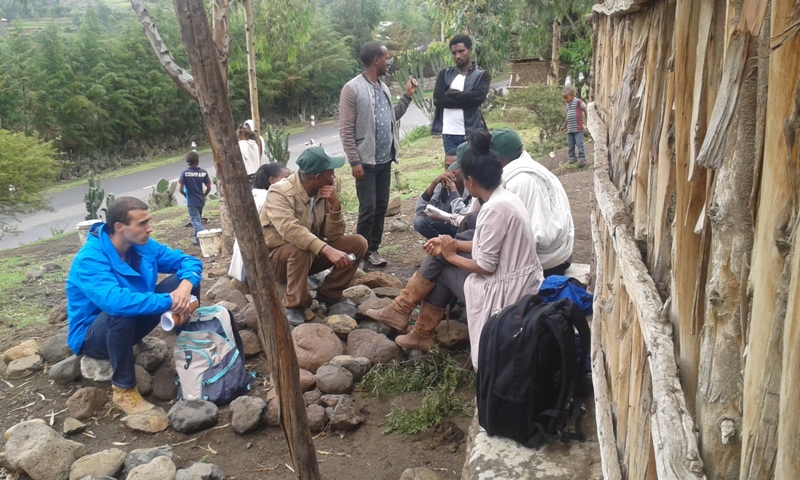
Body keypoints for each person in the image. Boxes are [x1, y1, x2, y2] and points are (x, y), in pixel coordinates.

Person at [369, 132, 543, 369]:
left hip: (507, 291)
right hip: (517, 278)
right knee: (443, 255)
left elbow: (485, 265)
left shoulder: (493, 209)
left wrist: (449, 254)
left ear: (470, 180)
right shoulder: (506, 199)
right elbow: (485, 244)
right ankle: (415, 326)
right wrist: (452, 244)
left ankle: (413, 323)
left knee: (442, 265)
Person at [66, 197, 203, 414]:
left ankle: (189, 350)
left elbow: (188, 261)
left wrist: (185, 287)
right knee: (120, 312)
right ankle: (123, 389)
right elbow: (116, 302)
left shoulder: (143, 246)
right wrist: (170, 300)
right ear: (120, 227)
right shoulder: (89, 260)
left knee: (182, 282)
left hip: (133, 320)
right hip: (95, 337)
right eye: (142, 224)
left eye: (148, 221)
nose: (150, 228)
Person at [261, 146, 368, 326]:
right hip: (276, 262)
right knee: (300, 247)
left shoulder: (320, 192)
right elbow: (290, 230)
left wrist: (335, 207)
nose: (333, 177)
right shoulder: (279, 192)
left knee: (358, 243)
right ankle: (293, 305)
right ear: (318, 177)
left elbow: (333, 235)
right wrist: (327, 249)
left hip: (307, 258)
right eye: (331, 174)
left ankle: (330, 294)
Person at [339, 41, 418, 268]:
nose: (388, 61)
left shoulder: (382, 87)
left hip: (384, 160)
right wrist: (354, 160)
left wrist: (407, 96)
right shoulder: (352, 89)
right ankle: (359, 254)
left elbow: (390, 118)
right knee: (368, 209)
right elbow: (345, 129)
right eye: (386, 58)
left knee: (381, 206)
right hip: (365, 163)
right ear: (376, 61)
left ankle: (373, 250)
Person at [228, 163, 291, 282]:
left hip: (242, 265)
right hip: (255, 268)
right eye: (286, 179)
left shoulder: (253, 195)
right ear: (272, 180)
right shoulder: (269, 199)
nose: (290, 182)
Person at [431, 34, 491, 154]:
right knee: (453, 171)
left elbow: (477, 98)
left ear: (470, 50)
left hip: (473, 133)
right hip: (449, 134)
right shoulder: (445, 74)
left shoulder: (482, 75)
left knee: (475, 169)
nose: (457, 56)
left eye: (461, 51)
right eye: (454, 53)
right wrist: (467, 99)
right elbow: (438, 99)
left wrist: (452, 93)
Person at [413, 149, 472, 239]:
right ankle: (442, 244)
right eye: (447, 166)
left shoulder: (472, 186)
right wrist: (433, 184)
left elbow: (464, 218)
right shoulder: (442, 185)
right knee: (419, 221)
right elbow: (420, 211)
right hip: (447, 228)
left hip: (467, 230)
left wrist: (453, 190)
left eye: (455, 167)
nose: (450, 171)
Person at [178, 151, 212, 245]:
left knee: (195, 221)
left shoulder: (185, 173)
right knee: (198, 219)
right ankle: (197, 241)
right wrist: (203, 195)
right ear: (198, 161)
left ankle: (205, 237)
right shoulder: (203, 172)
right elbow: (209, 187)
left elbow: (180, 190)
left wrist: (186, 195)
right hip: (201, 200)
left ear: (187, 161)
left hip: (191, 201)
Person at [560, 85, 587, 166]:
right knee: (570, 144)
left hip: (578, 128)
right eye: (564, 98)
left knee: (579, 143)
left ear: (572, 96)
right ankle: (572, 158)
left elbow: (585, 109)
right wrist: (564, 126)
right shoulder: (567, 105)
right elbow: (567, 117)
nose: (565, 100)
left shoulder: (578, 102)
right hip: (569, 129)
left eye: (566, 98)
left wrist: (586, 121)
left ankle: (582, 158)